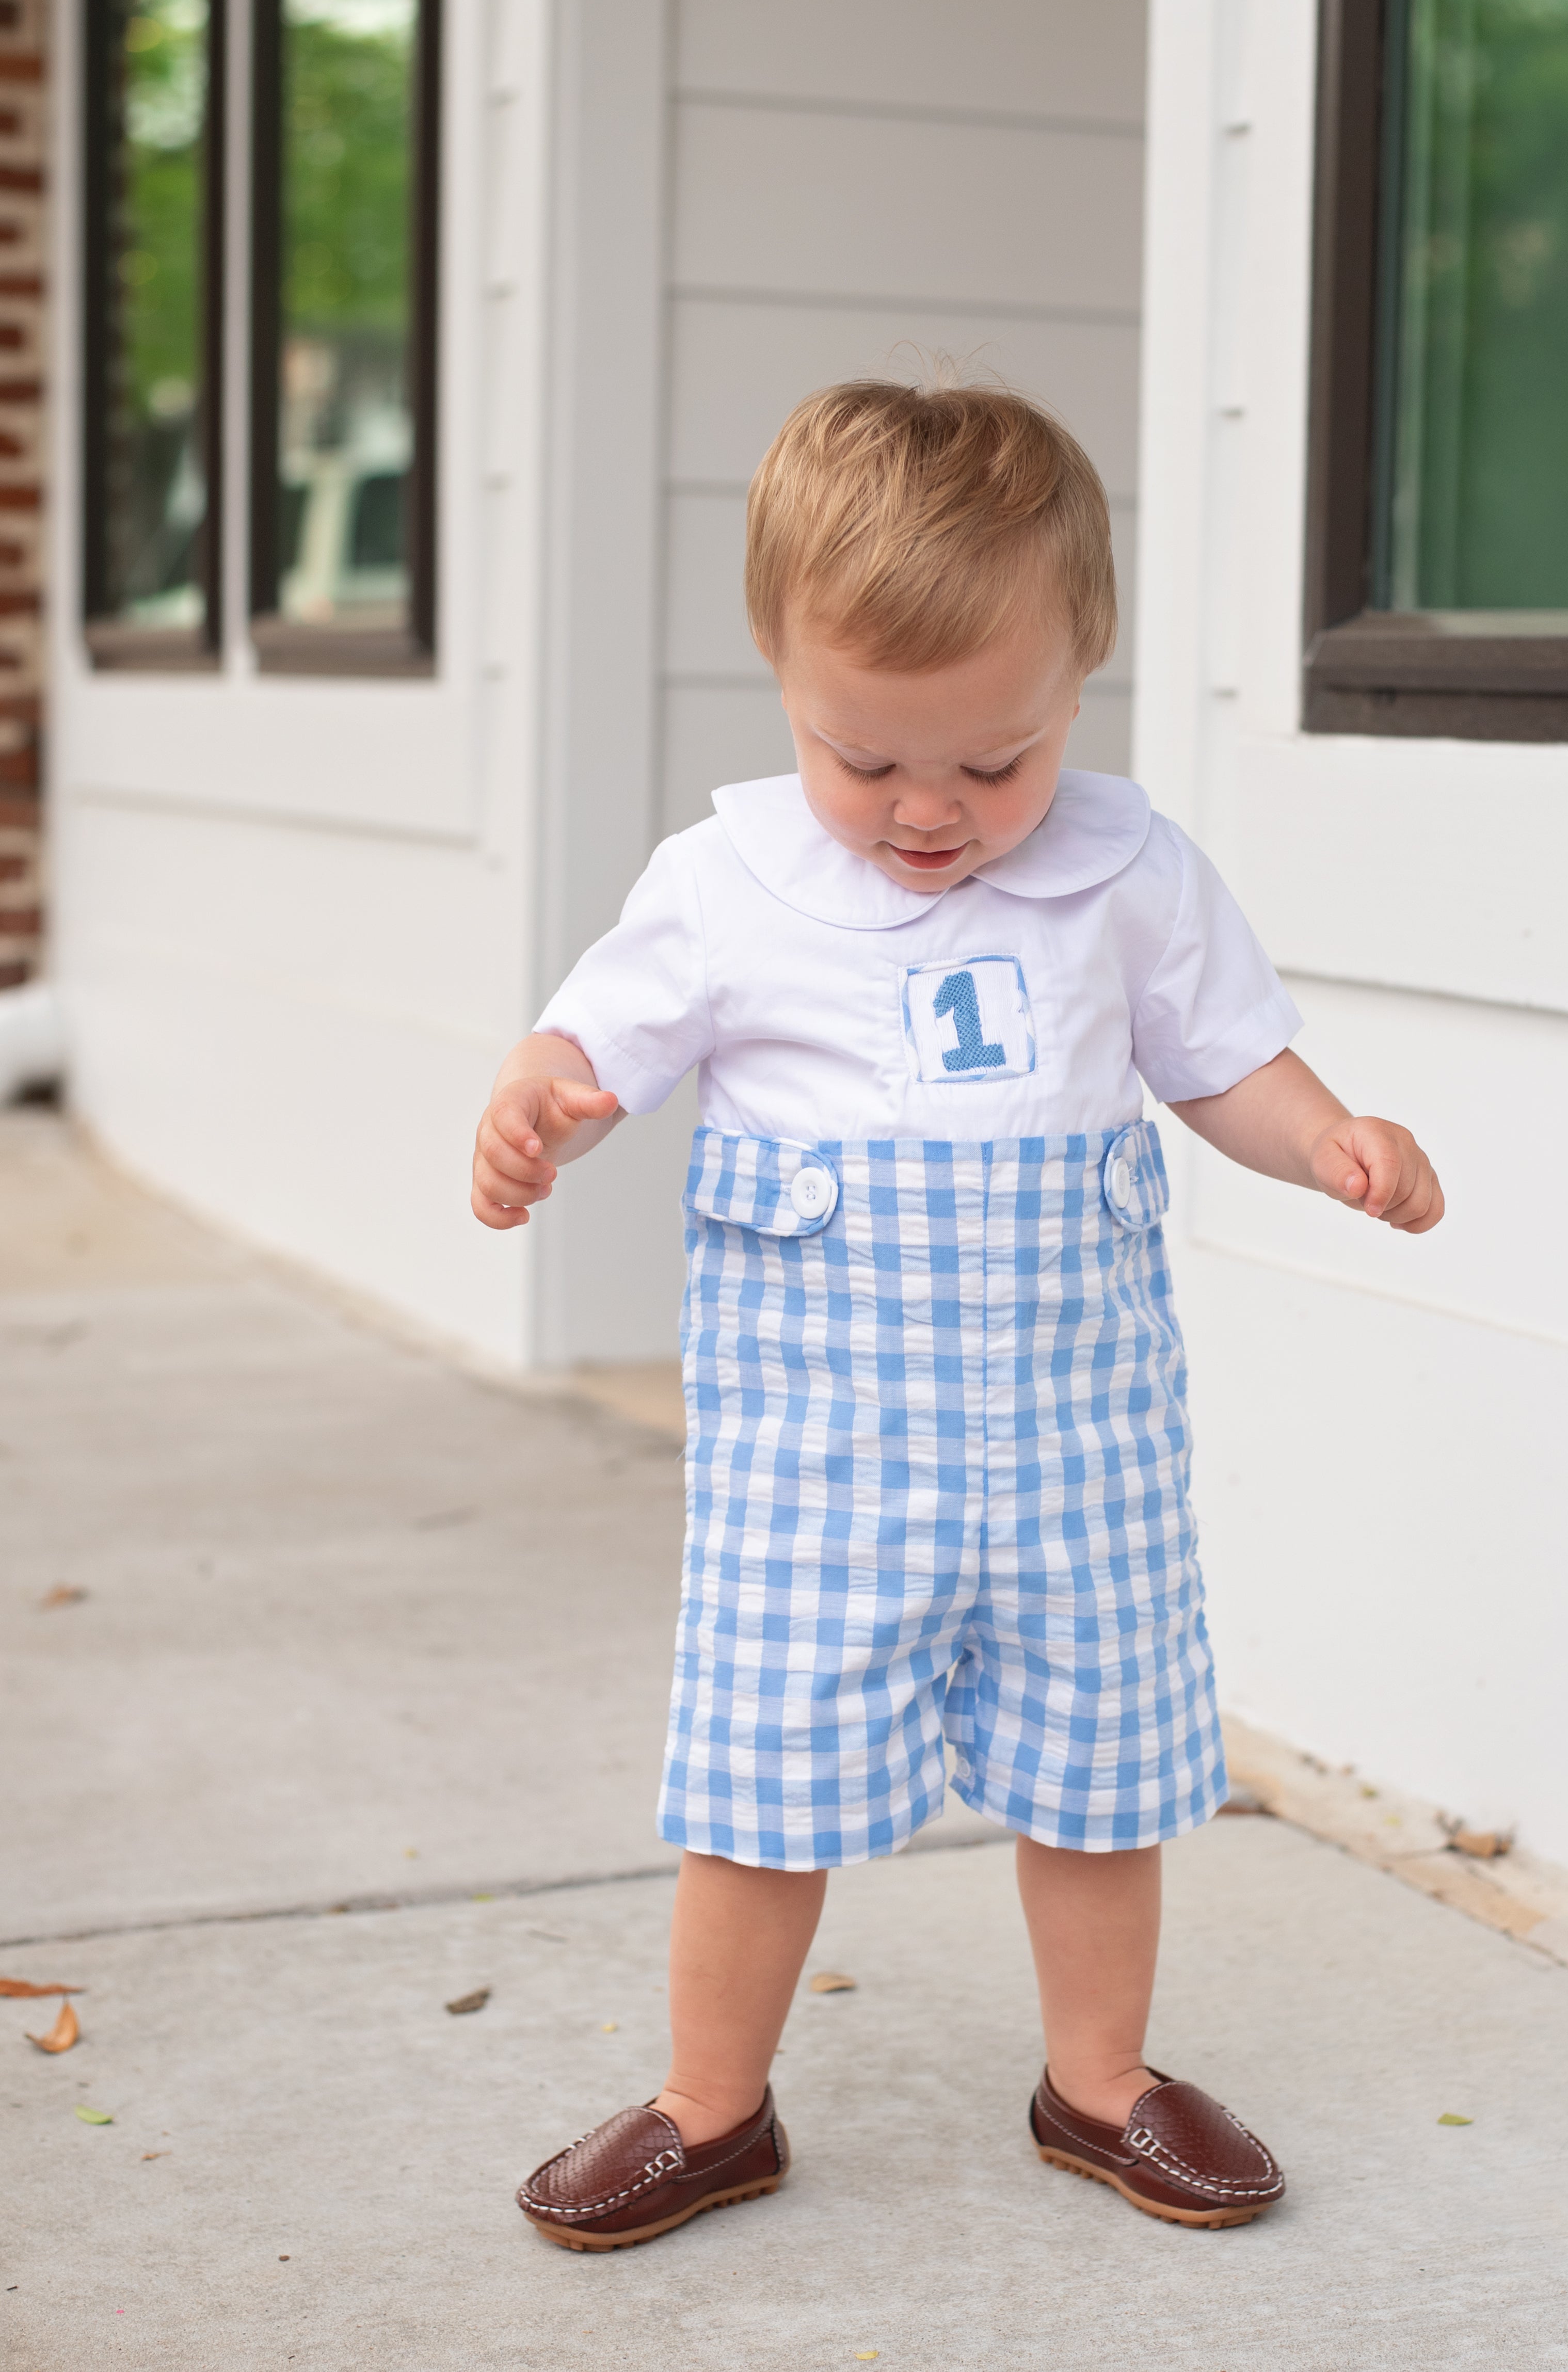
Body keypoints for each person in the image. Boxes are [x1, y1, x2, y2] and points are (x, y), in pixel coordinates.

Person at [470, 381, 1444, 2250]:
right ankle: (710, 2105)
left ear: (1078, 683)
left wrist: (1330, 1137)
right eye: (869, 761)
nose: (930, 812)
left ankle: (1099, 2084)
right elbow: (593, 1035)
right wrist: (537, 1098)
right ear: (781, 678)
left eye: (995, 765)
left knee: (1104, 1774)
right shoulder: (730, 886)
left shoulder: (1129, 875)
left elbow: (1229, 1061)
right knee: (761, 1786)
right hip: (818, 1464)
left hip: (1076, 1446)